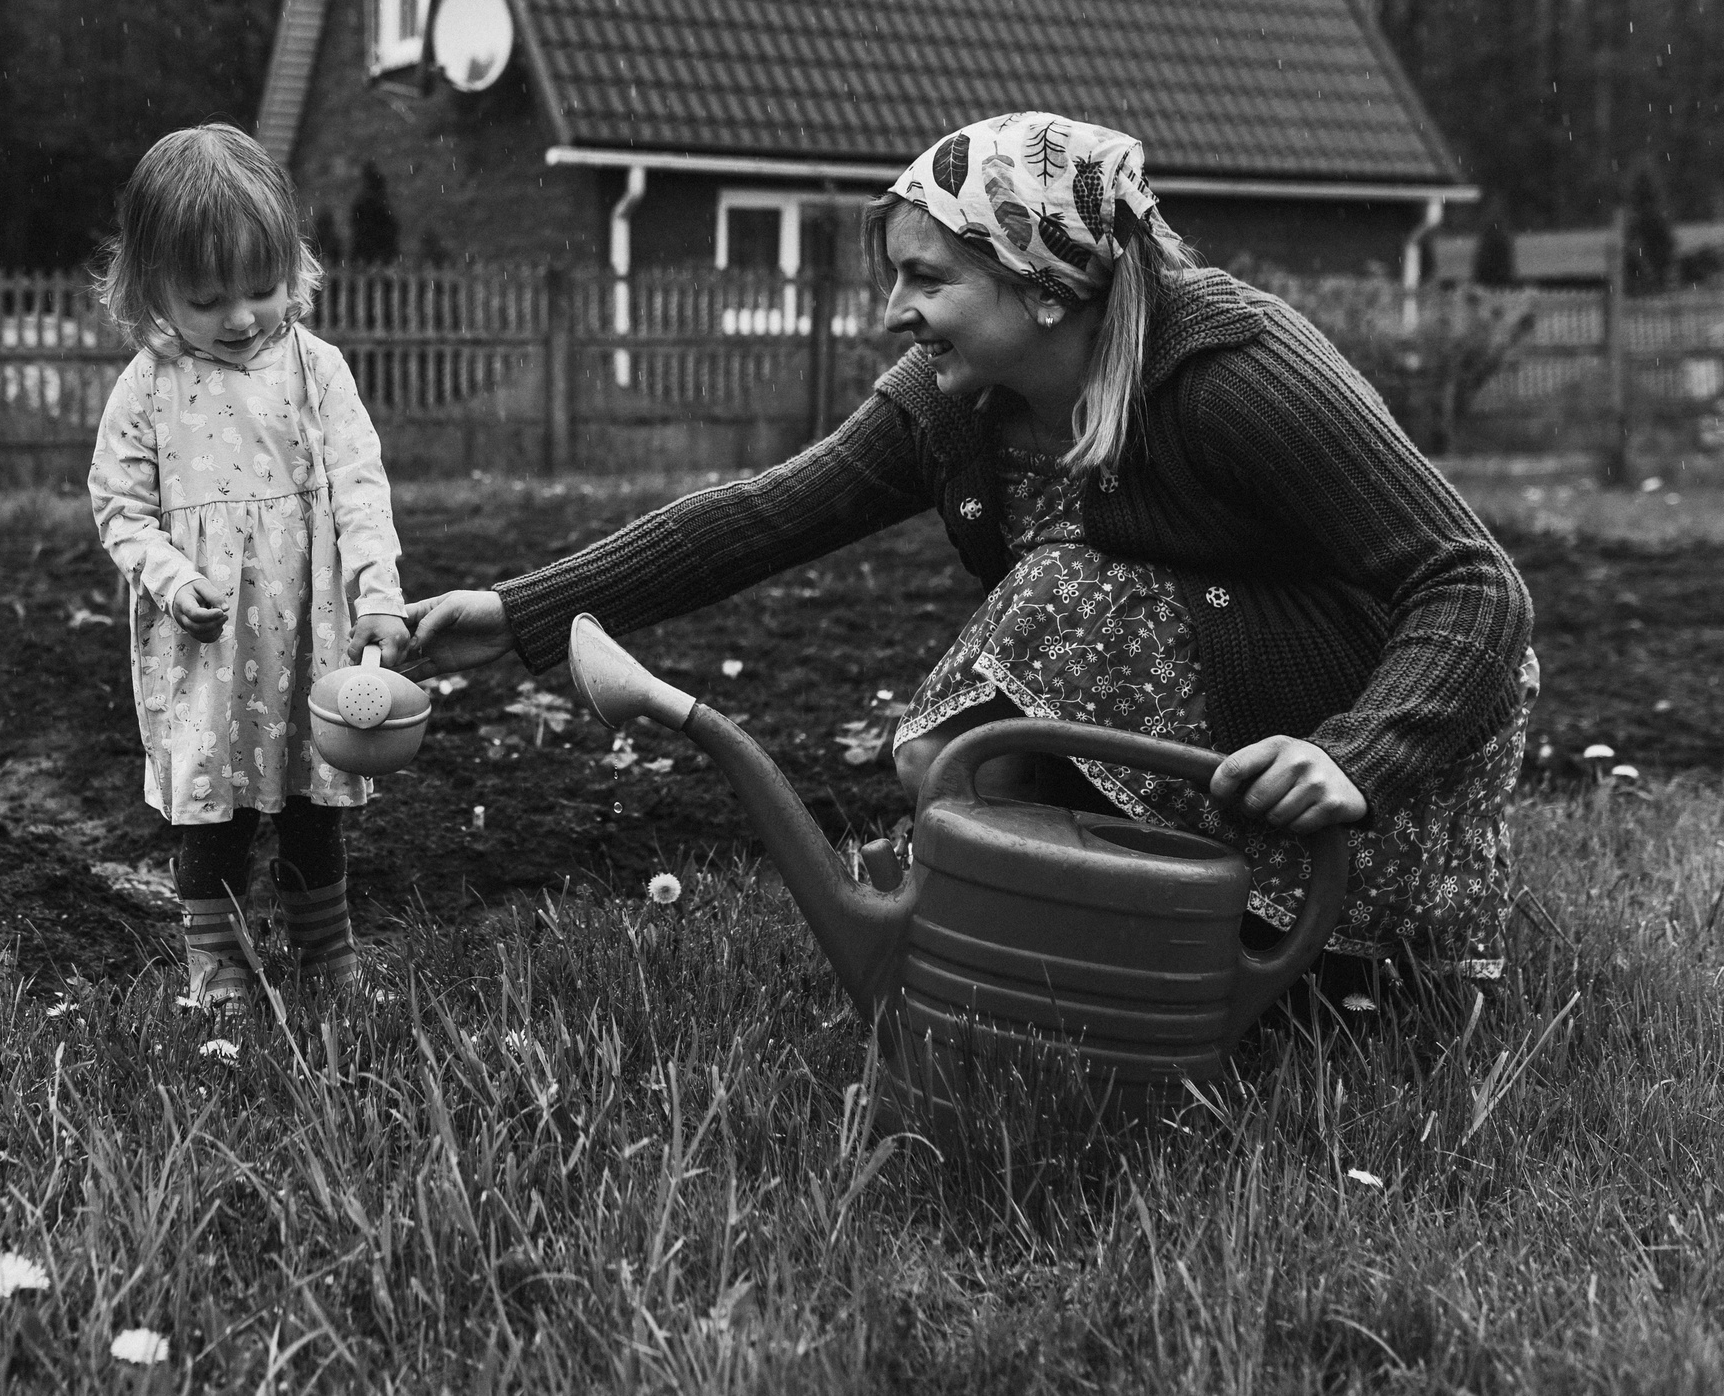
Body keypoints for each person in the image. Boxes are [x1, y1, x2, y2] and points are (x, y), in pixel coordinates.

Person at [404, 111, 1536, 1005]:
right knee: (959, 754)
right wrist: (517, 611)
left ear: (1041, 286)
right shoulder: (960, 400)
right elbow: (763, 514)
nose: (891, 312)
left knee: (1061, 600)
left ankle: (1223, 955)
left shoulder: (1228, 370)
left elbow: (1472, 584)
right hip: (1219, 668)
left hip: (1374, 697)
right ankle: (1065, 974)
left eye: (927, 279)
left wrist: (1356, 755)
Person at [88, 125, 410, 1018]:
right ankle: (219, 967)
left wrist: (379, 595)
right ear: (152, 289)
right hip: (208, 649)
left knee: (314, 804)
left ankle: (326, 950)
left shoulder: (317, 369)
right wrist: (167, 577)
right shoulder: (148, 388)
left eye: (261, 289)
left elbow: (361, 488)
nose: (239, 318)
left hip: (309, 638)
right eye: (206, 298)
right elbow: (120, 509)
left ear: (291, 265)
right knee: (212, 809)